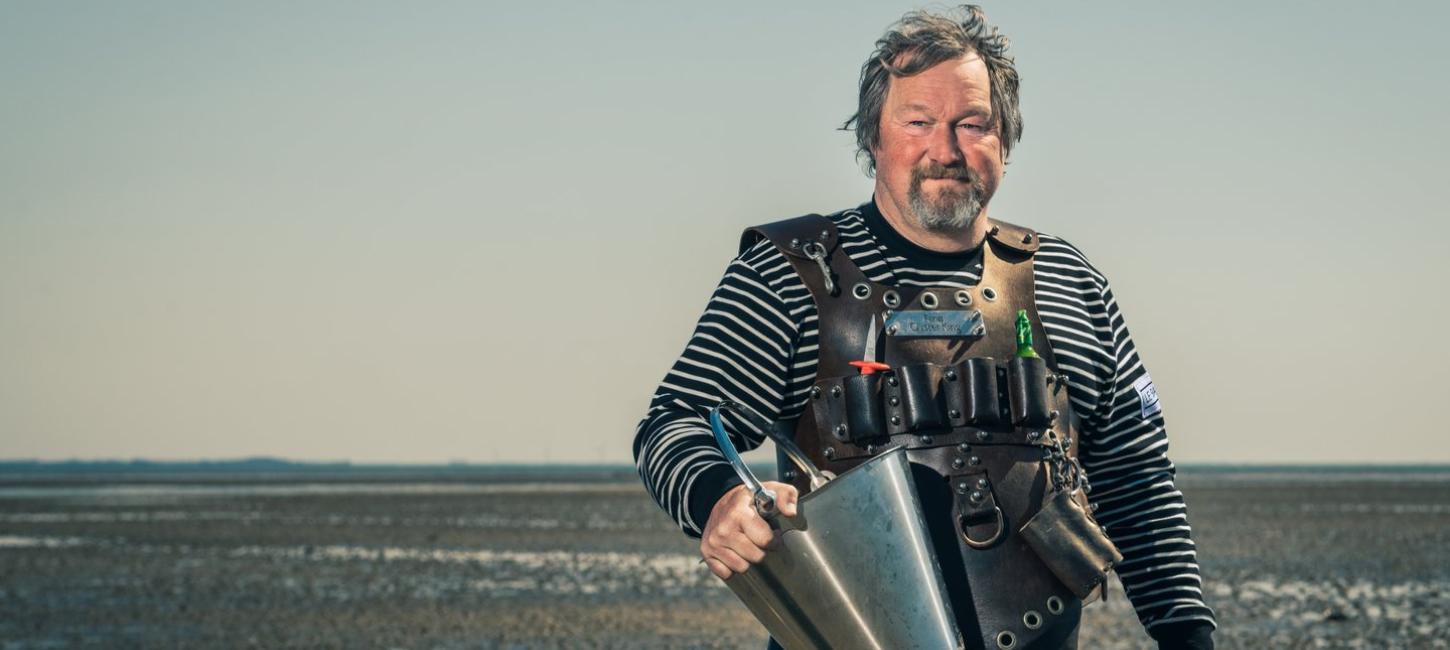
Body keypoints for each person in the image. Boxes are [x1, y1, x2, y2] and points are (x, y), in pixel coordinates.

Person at [633, 5, 1216, 649]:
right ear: (872, 139)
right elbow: (676, 422)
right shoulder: (793, 274)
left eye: (973, 124)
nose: (946, 150)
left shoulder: (1068, 283)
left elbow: (1138, 478)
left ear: (1006, 141)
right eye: (918, 122)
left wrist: (1188, 636)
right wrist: (718, 497)